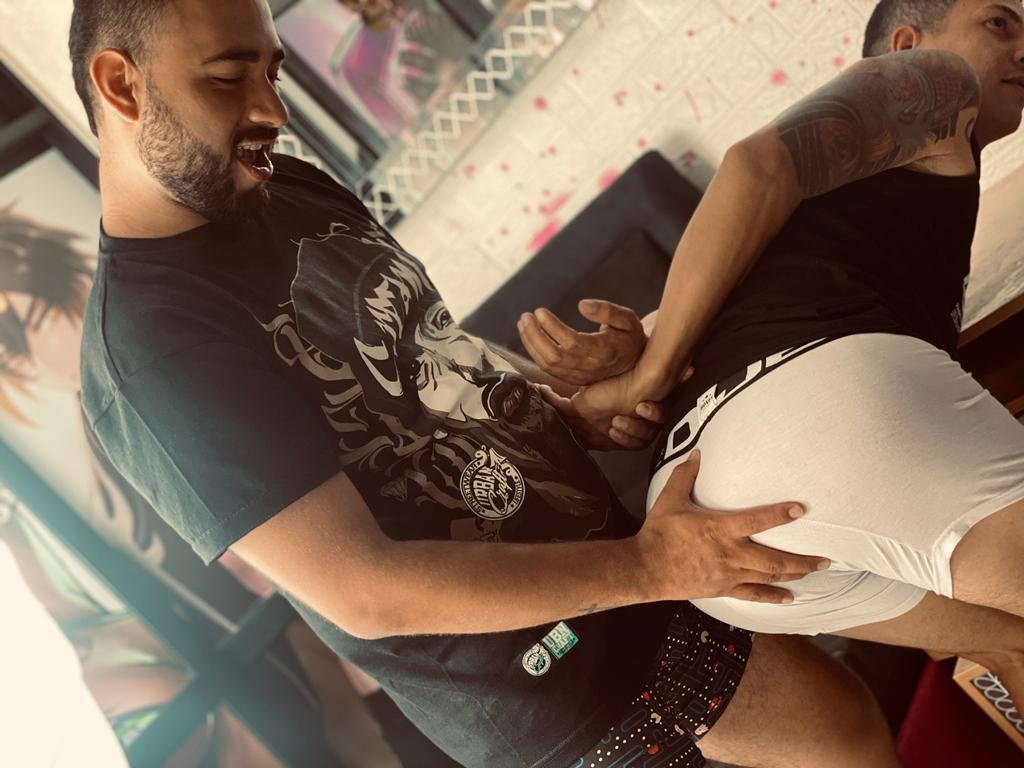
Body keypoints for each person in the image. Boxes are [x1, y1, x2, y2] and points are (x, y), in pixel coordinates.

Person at [72, 1, 900, 766]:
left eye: (272, 72)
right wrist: (654, 566)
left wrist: (568, 406)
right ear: (122, 84)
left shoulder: (290, 187)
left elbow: (431, 352)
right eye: (228, 78)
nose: (272, 110)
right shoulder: (150, 351)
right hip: (557, 698)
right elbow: (365, 591)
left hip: (630, 572)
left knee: (851, 727)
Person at [519, 0, 1024, 748]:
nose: (1023, 48)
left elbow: (714, 331)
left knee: (1010, 646)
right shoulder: (938, 82)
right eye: (1000, 24)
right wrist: (648, 373)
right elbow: (756, 166)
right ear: (906, 44)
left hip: (715, 534)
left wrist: (638, 360)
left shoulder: (849, 199)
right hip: (817, 415)